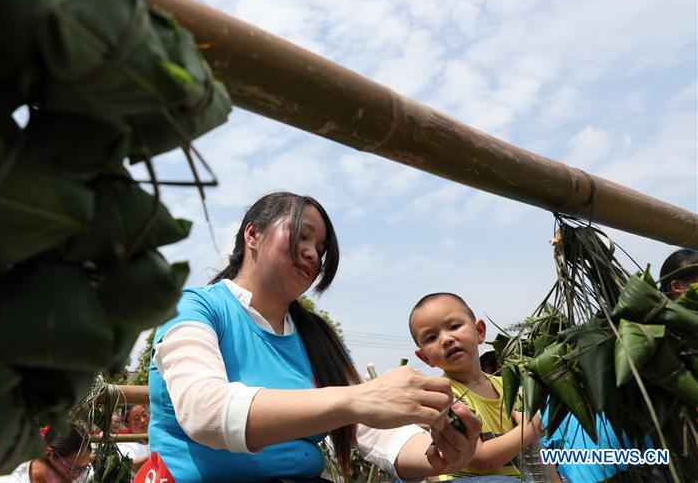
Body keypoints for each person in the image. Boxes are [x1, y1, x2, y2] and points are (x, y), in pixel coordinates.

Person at [148, 192, 481, 483]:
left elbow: (378, 432)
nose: (312, 254)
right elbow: (204, 411)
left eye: (320, 249)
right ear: (253, 235)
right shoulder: (193, 307)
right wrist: (355, 399)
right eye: (301, 237)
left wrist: (439, 451)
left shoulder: (316, 336)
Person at [409, 292, 543, 481]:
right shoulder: (443, 396)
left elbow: (537, 453)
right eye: (431, 338)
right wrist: (530, 429)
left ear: (479, 331)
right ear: (425, 357)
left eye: (454, 326)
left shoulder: (510, 388)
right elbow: (481, 462)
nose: (446, 339)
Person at [0, 423, 93, 483]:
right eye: (73, 469)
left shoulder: (83, 476)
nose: (77, 476)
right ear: (48, 454)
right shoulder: (8, 481)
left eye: (84, 469)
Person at [117, 404, 151, 470]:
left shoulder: (158, 439)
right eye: (136, 419)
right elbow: (133, 465)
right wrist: (159, 454)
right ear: (126, 424)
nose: (143, 420)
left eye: (144, 415)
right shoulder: (124, 446)